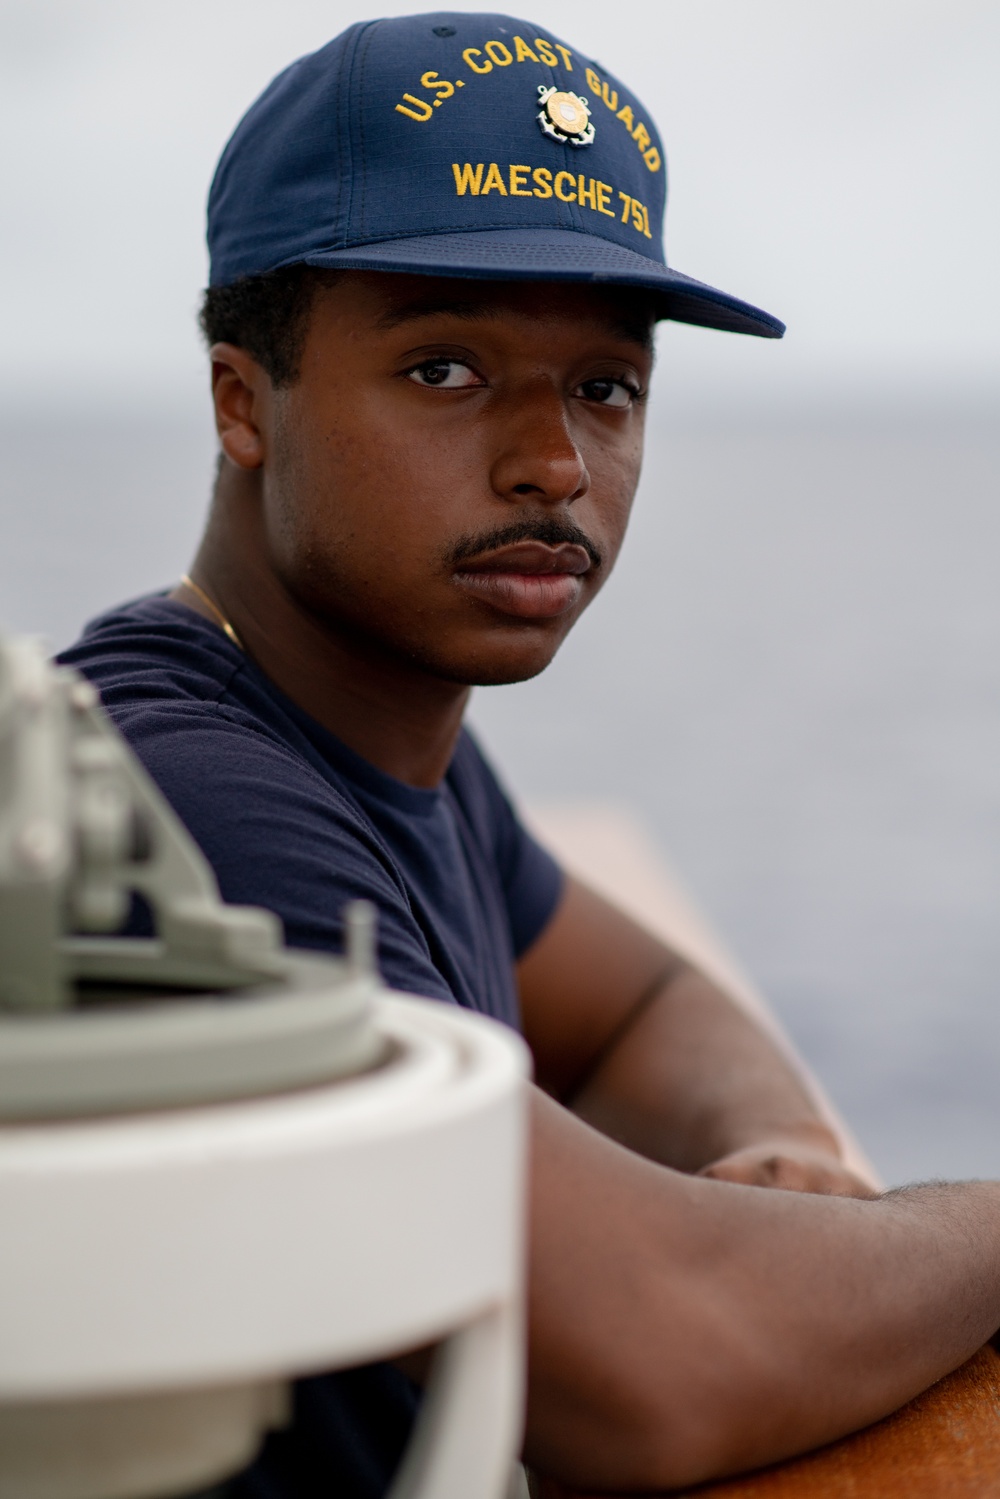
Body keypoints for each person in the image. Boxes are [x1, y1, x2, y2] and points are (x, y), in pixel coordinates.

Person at [59, 13, 1000, 1496]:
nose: (553, 462)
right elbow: (654, 1370)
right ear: (246, 402)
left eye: (605, 387)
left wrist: (767, 1154)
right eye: (446, 369)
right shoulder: (185, 809)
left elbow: (640, 1007)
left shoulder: (368, 724)